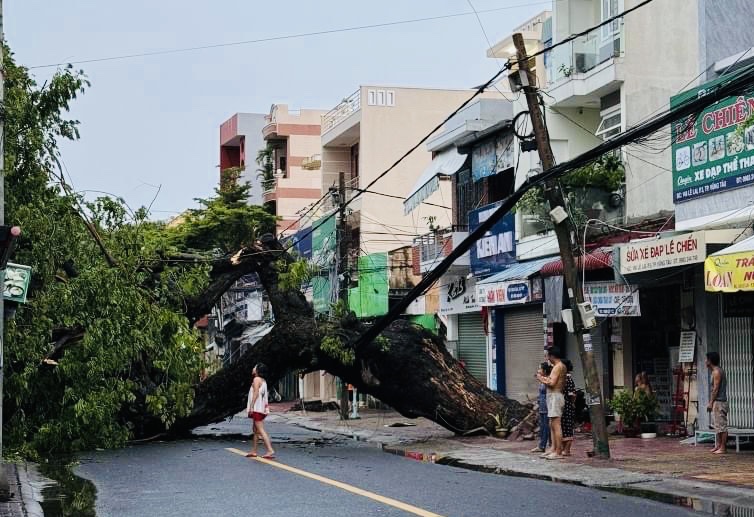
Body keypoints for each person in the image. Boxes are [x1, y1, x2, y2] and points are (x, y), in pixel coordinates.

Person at [537, 347, 566, 460]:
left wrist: (541, 378)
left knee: (556, 425)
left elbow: (552, 382)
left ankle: (558, 452)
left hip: (555, 396)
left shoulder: (558, 367)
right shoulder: (559, 366)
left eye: (548, 356)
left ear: (552, 356)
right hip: (554, 396)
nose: (547, 358)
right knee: (551, 424)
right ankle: (554, 448)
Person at [246, 363, 275, 459]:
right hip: (261, 408)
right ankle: (254, 451)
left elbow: (256, 394)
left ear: (257, 370)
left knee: (260, 430)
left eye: (254, 367)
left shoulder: (256, 379)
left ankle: (270, 450)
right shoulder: (263, 380)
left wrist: (251, 406)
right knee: (255, 430)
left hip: (257, 409)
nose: (253, 368)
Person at [706, 352, 728, 455]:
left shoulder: (717, 372)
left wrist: (711, 402)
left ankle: (723, 447)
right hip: (717, 402)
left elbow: (715, 389)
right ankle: (719, 445)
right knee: (717, 425)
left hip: (719, 402)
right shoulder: (714, 371)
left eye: (707, 359)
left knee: (721, 426)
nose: (705, 361)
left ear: (710, 360)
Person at [531, 362, 552, 454]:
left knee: (547, 427)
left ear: (544, 370)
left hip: (547, 406)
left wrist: (541, 378)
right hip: (542, 406)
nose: (538, 371)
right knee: (543, 426)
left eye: (540, 369)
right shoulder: (543, 381)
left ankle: (546, 445)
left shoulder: (548, 380)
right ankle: (543, 445)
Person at [561, 360, 577, 457]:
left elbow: (572, 394)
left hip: (567, 406)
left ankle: (567, 450)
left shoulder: (568, 379)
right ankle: (564, 449)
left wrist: (571, 403)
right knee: (564, 427)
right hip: (565, 405)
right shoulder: (564, 378)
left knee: (567, 428)